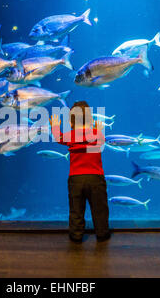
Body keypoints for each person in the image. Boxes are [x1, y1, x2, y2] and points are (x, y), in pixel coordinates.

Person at [50, 101, 110, 243]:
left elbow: (58, 137)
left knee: (76, 209)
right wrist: (98, 129)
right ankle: (102, 234)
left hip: (76, 179)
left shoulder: (70, 135)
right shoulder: (96, 134)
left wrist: (55, 126)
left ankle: (76, 236)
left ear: (71, 124)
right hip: (96, 178)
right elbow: (102, 141)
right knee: (99, 209)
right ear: (91, 121)